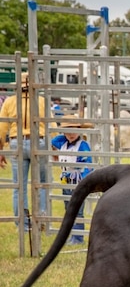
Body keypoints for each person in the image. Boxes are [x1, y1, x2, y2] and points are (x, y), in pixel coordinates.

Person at [0, 71, 49, 229]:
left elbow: (2, 127)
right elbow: (51, 125)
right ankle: (41, 217)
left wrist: (1, 148)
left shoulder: (10, 101)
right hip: (38, 141)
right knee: (41, 182)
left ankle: (23, 223)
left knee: (19, 185)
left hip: (17, 142)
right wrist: (55, 147)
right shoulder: (41, 101)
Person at [50, 115, 93, 245]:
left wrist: (84, 181)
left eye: (74, 130)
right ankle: (72, 235)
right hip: (65, 181)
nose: (71, 134)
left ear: (80, 130)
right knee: (68, 208)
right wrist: (66, 134)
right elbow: (54, 140)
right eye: (68, 131)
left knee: (77, 210)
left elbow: (87, 164)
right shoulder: (63, 143)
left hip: (78, 180)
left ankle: (78, 237)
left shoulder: (83, 145)